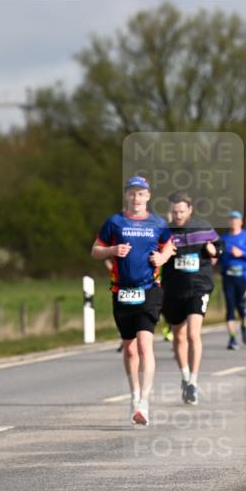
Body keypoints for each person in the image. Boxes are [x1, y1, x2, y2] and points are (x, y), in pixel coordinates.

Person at [92, 176, 174, 425]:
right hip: (122, 291)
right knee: (129, 348)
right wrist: (112, 251)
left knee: (145, 345)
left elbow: (169, 246)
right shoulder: (114, 222)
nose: (136, 198)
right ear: (127, 195)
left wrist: (163, 258)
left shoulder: (157, 223)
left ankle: (144, 403)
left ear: (148, 197)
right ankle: (134, 394)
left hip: (149, 290)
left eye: (141, 194)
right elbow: (95, 250)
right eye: (132, 193)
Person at [161, 192, 222, 405]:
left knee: (193, 334)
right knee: (179, 336)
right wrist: (164, 253)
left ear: (190, 210)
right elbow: (154, 256)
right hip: (173, 290)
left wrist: (214, 250)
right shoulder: (164, 232)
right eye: (174, 212)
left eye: (181, 212)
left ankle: (193, 383)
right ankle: (185, 376)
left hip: (199, 287)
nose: (178, 216)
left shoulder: (203, 228)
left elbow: (220, 247)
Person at [219, 210, 246, 350]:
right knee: (230, 308)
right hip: (228, 277)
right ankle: (232, 339)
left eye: (236, 219)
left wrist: (242, 253)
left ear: (241, 222)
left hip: (243, 277)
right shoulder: (224, 238)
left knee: (242, 307)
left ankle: (244, 326)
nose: (233, 222)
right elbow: (217, 254)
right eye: (231, 219)